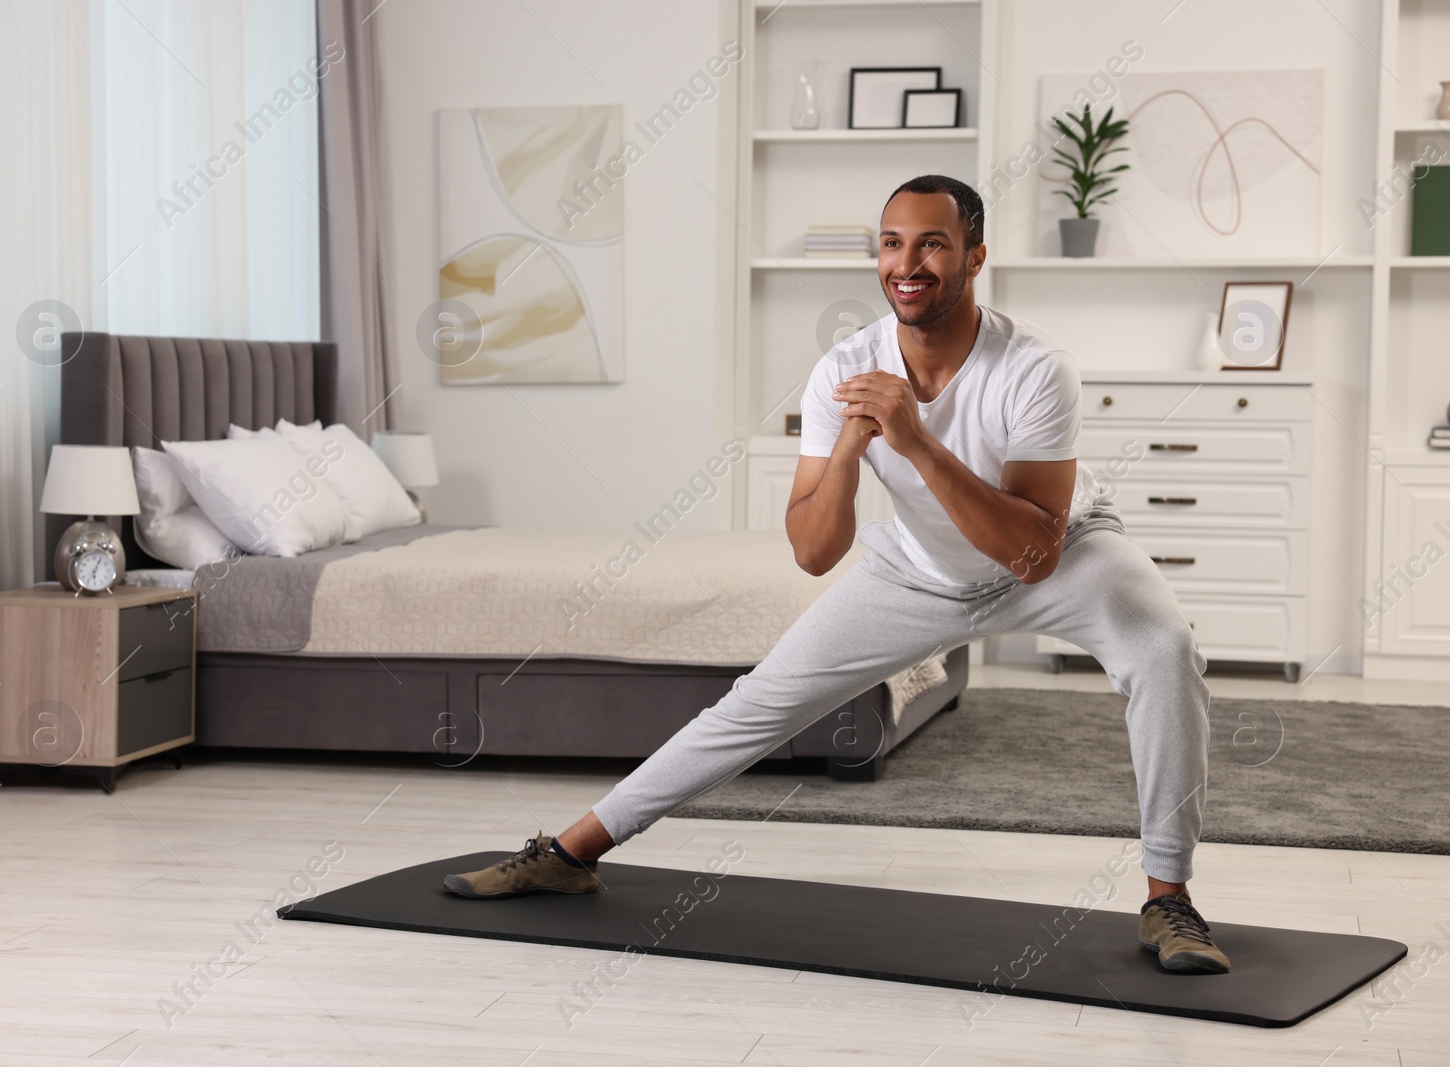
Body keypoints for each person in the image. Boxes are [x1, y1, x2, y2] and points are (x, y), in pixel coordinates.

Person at [443, 174, 1229, 976]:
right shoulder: (844, 369)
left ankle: (1168, 899)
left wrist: (916, 441)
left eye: (932, 242)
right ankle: (569, 855)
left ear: (975, 257)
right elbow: (814, 551)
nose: (907, 262)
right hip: (919, 570)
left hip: (1061, 553)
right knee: (756, 702)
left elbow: (1032, 553)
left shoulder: (1034, 367)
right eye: (892, 243)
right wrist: (856, 445)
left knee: (1164, 649)